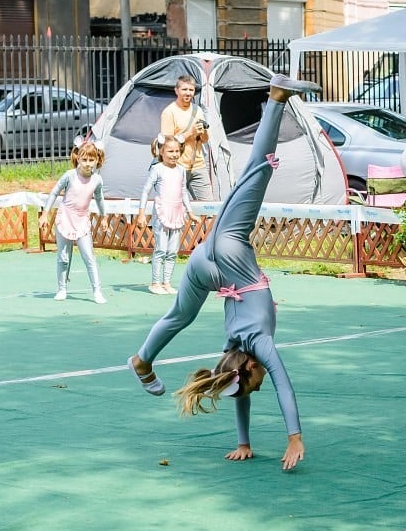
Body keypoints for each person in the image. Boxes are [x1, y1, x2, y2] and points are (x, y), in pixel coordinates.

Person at [127, 74, 321, 471]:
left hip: (227, 251)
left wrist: (294, 437)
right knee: (179, 315)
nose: (256, 386)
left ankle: (277, 97)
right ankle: (143, 360)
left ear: (248, 368)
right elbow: (238, 387)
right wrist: (244, 443)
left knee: (257, 170)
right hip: (207, 267)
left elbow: (282, 381)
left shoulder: (257, 346)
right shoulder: (232, 350)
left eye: (253, 382)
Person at [39, 139, 110, 303]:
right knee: (63, 257)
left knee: (89, 256)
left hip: (82, 219)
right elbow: (54, 193)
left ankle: (97, 291)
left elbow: (99, 198)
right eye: (84, 159)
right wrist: (45, 214)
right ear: (77, 158)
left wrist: (104, 216)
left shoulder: (97, 180)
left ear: (98, 160)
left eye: (91, 160)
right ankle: (62, 289)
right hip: (65, 217)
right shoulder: (69, 176)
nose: (87, 164)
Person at [136, 134, 202, 295]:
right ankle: (155, 283)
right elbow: (145, 191)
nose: (174, 154)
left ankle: (166, 282)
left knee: (173, 251)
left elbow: (184, 193)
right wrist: (141, 213)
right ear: (161, 152)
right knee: (161, 249)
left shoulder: (181, 170)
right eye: (170, 151)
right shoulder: (157, 169)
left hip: (177, 213)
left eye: (177, 151)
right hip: (161, 213)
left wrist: (190, 212)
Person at [160, 75, 214, 201]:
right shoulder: (169, 112)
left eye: (191, 90)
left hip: (198, 166)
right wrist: (190, 133)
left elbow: (205, 139)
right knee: (174, 208)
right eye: (184, 89)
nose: (188, 93)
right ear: (176, 90)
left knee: (209, 209)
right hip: (176, 167)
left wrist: (203, 132)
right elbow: (167, 143)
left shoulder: (198, 110)